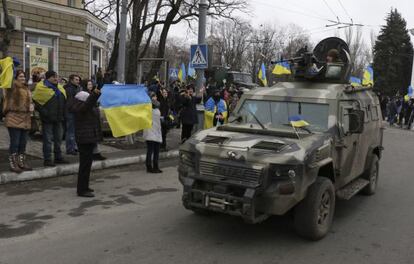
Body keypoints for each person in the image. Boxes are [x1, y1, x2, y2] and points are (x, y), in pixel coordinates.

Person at [69, 88, 102, 197]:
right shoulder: (80, 107)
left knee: (87, 165)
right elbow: (87, 105)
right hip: (84, 139)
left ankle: (85, 186)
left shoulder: (87, 107)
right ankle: (81, 190)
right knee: (84, 165)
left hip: (89, 138)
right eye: (87, 98)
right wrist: (94, 95)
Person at [32, 70, 68, 167]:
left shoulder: (60, 88)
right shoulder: (41, 87)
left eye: (57, 76)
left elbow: (64, 102)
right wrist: (45, 113)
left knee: (59, 139)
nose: (56, 79)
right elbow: (36, 101)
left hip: (59, 118)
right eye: (54, 77)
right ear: (48, 78)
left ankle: (58, 157)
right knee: (47, 140)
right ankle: (47, 159)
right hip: (47, 118)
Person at [2, 70, 33, 172]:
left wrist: (32, 106)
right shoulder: (12, 87)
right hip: (14, 118)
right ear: (15, 78)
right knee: (15, 143)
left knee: (23, 143)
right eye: (20, 76)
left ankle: (21, 162)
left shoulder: (26, 88)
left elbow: (29, 102)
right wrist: (10, 67)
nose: (23, 78)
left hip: (25, 119)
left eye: (24, 77)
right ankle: (13, 164)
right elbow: (7, 82)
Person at [81, 79, 106, 161]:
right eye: (88, 85)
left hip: (93, 118)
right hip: (88, 119)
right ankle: (94, 154)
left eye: (91, 84)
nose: (90, 86)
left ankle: (96, 153)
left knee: (94, 138)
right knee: (91, 138)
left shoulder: (91, 93)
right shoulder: (84, 94)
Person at [143, 92, 163, 173]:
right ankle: (149, 166)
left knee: (156, 150)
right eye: (153, 96)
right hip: (150, 132)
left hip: (157, 131)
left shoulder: (157, 108)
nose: (155, 98)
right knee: (150, 150)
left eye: (156, 96)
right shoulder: (147, 108)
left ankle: (156, 166)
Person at [64, 74, 81, 155]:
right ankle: (70, 149)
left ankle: (73, 147)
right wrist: (74, 110)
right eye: (76, 80)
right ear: (71, 80)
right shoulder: (70, 89)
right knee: (70, 131)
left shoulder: (75, 88)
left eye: (78, 80)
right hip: (71, 112)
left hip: (73, 112)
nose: (78, 81)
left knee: (73, 131)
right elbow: (70, 102)